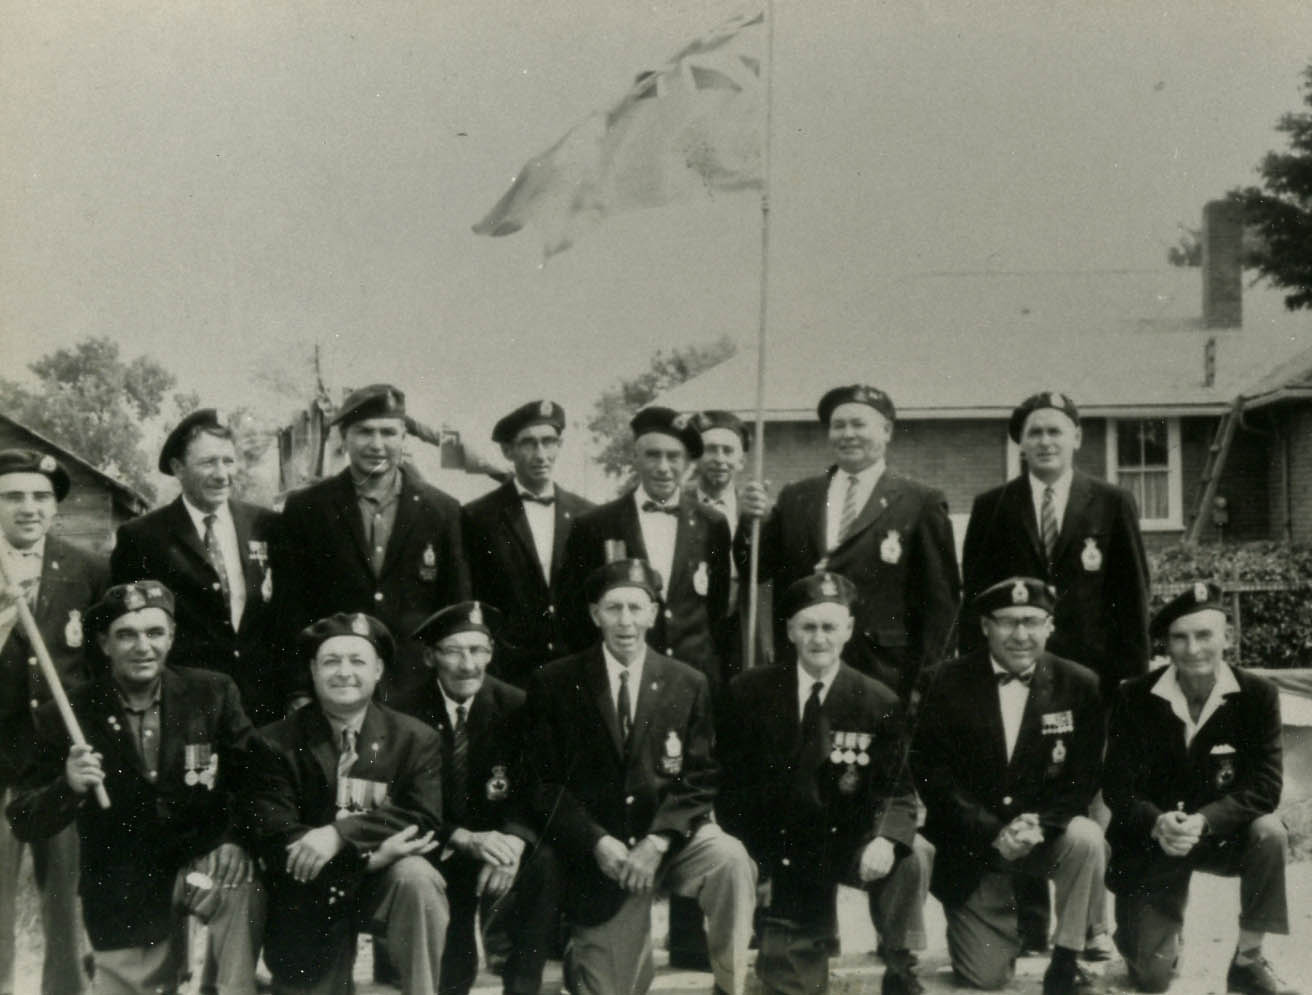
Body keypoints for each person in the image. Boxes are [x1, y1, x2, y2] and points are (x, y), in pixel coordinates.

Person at [960, 390, 1149, 958]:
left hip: (1091, 682)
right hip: (1015, 674)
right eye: (1034, 432)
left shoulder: (1111, 502)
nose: (1045, 441)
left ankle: (1092, 927)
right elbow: (976, 603)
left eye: (1055, 431)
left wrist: (1132, 688)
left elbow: (1132, 601)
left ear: (1077, 438)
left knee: (1087, 804)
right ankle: (1028, 925)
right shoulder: (994, 505)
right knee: (1020, 790)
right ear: (1020, 442)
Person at [6, 581, 261, 995]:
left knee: (241, 889)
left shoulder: (211, 692)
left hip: (202, 864)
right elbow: (24, 819)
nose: (143, 646)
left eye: (155, 633)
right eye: (126, 635)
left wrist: (235, 838)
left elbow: (255, 777)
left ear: (172, 637)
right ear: (105, 644)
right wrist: (68, 785)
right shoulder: (68, 714)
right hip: (123, 886)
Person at [523, 559, 756, 995]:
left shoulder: (688, 682)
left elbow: (701, 775)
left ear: (653, 613)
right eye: (613, 609)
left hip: (668, 840)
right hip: (605, 854)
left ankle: (729, 982)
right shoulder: (556, 682)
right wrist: (595, 841)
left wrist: (661, 838)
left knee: (731, 860)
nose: (625, 621)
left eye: (636, 607)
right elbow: (543, 785)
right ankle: (582, 954)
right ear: (595, 615)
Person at [719, 572, 930, 995]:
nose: (819, 638)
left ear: (848, 630)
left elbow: (899, 791)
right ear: (790, 631)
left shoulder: (877, 700)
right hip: (781, 853)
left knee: (915, 852)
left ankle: (900, 961)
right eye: (809, 626)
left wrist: (886, 840)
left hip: (848, 842)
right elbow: (730, 787)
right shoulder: (749, 692)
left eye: (830, 627)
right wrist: (753, 866)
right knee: (792, 987)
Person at [913, 578, 1105, 995]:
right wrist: (992, 831)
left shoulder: (1080, 684)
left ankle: (1067, 958)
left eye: (1033, 622)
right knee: (984, 977)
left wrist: (1042, 825)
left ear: (1050, 626)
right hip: (973, 844)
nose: (1021, 635)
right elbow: (933, 775)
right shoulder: (944, 682)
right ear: (985, 626)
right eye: (1008, 622)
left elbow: (1084, 778)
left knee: (1087, 836)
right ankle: (998, 926)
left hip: (1043, 835)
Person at [1104, 583, 1296, 995]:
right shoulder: (1134, 696)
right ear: (1166, 644)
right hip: (1156, 841)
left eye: (1204, 635)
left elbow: (1266, 785)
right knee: (1152, 980)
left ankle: (1248, 959)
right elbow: (1117, 786)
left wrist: (1205, 821)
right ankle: (1158, 939)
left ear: (1228, 637)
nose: (1192, 648)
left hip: (1220, 837)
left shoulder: (1258, 696)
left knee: (1270, 833)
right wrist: (1156, 823)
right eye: (1180, 637)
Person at [243, 612, 449, 995]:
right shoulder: (274, 742)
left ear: (378, 670)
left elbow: (423, 816)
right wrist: (366, 858)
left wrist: (339, 835)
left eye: (357, 661)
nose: (344, 672)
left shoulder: (414, 738)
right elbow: (276, 831)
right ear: (312, 669)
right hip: (309, 889)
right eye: (331, 661)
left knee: (419, 879)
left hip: (382, 883)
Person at [738, 385, 959, 698]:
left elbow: (940, 605)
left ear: (886, 431)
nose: (847, 434)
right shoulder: (797, 497)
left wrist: (927, 681)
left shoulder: (920, 501)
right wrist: (749, 522)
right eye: (838, 426)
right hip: (802, 668)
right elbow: (755, 570)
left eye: (858, 424)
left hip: (883, 673)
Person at [274, 384, 470, 714]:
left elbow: (455, 607)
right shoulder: (307, 508)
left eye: (388, 433)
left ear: (404, 438)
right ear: (344, 437)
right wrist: (299, 690)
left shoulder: (442, 510)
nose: (377, 445)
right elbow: (290, 608)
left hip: (416, 688)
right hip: (336, 685)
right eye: (364, 432)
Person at [410, 601, 561, 995]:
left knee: (542, 863)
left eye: (477, 650)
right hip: (441, 844)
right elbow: (404, 801)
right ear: (430, 657)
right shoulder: (404, 711)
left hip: (499, 842)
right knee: (453, 970)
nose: (467, 664)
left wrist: (513, 838)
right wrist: (461, 838)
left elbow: (537, 785)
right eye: (453, 651)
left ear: (491, 653)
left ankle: (524, 986)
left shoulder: (517, 705)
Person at [0, 449, 105, 995]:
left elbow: (96, 663)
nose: (28, 508)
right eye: (13, 496)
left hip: (59, 764)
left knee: (66, 906)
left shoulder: (84, 568)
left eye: (41, 497)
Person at [111, 408, 282, 724]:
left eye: (228, 461)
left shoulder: (265, 525)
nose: (222, 474)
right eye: (208, 462)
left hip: (262, 704)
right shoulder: (144, 537)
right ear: (178, 468)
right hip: (185, 707)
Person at [461, 400, 593, 687]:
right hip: (509, 675)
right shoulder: (478, 517)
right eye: (529, 444)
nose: (541, 454)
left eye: (549, 442)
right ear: (508, 451)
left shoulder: (588, 515)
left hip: (576, 670)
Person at [686, 410, 770, 673]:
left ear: (742, 460)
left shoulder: (758, 512)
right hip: (692, 629)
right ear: (695, 456)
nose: (720, 459)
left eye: (728, 450)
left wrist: (749, 522)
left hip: (739, 627)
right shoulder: (677, 507)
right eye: (710, 450)